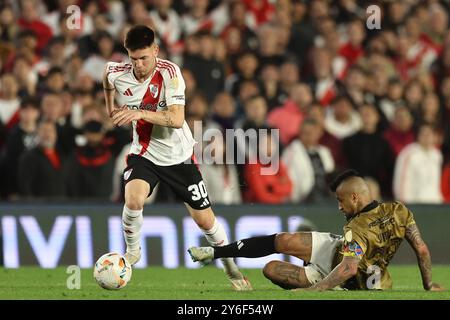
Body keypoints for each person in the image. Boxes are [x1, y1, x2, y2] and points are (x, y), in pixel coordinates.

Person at [103, 25, 251, 291]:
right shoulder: (116, 72)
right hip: (144, 153)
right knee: (133, 199)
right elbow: (107, 80)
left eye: (144, 58)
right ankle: (133, 252)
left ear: (156, 51)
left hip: (179, 157)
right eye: (133, 58)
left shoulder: (170, 73)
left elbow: (176, 118)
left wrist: (138, 114)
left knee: (205, 221)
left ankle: (232, 269)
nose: (138, 64)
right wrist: (110, 109)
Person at [188, 169, 444, 291]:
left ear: (355, 198)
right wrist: (428, 284)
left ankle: (219, 255)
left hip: (345, 282)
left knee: (271, 270)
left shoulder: (356, 228)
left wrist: (313, 290)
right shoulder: (400, 211)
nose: (339, 207)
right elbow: (421, 249)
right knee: (284, 239)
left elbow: (349, 268)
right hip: (337, 251)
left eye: (340, 201)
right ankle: (217, 252)